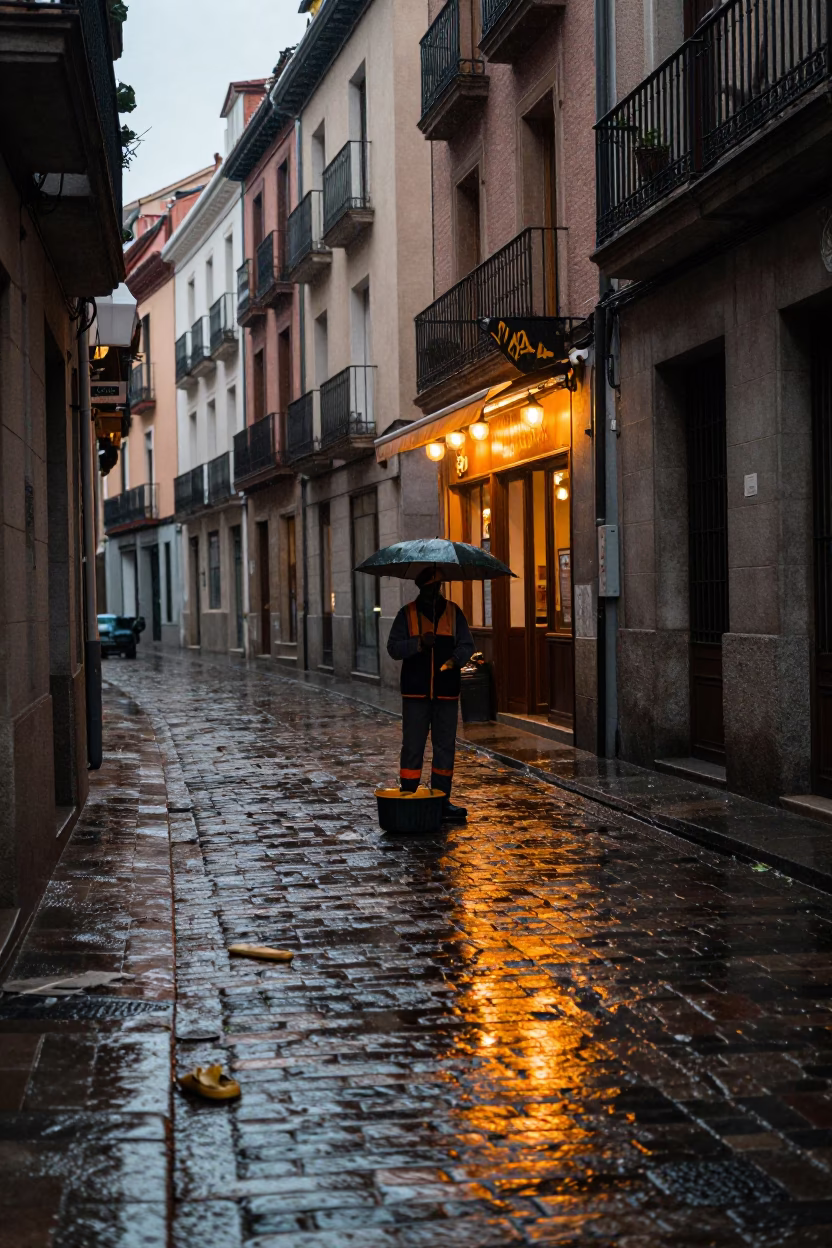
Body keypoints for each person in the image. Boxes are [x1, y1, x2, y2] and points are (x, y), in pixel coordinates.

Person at [386, 568, 474, 821]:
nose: (435, 594)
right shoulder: (407, 614)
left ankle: (441, 799)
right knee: (413, 746)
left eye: (438, 589)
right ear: (422, 589)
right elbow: (393, 648)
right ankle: (408, 796)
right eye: (430, 589)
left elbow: (468, 645)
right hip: (416, 694)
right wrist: (418, 644)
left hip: (446, 693)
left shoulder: (454, 613)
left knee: (444, 748)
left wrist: (454, 661)